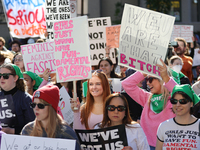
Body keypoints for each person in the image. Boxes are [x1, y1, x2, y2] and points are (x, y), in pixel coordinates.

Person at [121, 59, 177, 150]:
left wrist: (166, 77)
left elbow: (183, 95)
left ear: (161, 79)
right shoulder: (147, 98)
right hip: (146, 145)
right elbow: (126, 84)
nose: (147, 83)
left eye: (150, 79)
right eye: (146, 79)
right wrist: (143, 72)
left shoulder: (174, 100)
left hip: (168, 145)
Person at [21, 84, 81, 150]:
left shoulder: (66, 133)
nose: (36, 108)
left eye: (41, 105)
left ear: (51, 108)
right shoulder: (27, 130)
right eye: (33, 105)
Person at [156, 84, 200, 150]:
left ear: (191, 103)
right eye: (174, 101)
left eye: (183, 101)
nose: (178, 105)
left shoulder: (198, 125)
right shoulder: (163, 126)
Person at [0, 63, 35, 134]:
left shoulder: (27, 99)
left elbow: (33, 127)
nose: (1, 78)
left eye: (5, 76)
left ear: (15, 78)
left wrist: (12, 131)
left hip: (19, 142)